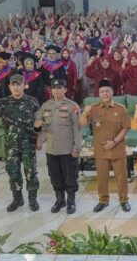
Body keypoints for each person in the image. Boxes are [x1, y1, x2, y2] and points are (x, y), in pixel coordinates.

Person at [0, 74, 41, 212]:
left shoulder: (32, 101)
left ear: (24, 85)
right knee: (13, 172)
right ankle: (18, 199)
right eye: (13, 85)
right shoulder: (2, 102)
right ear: (10, 86)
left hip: (29, 143)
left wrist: (39, 138)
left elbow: (39, 122)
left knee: (31, 172)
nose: (16, 87)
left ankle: (33, 199)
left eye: (19, 84)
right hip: (11, 145)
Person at [80, 79, 131, 213]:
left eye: (107, 91)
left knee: (122, 177)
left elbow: (125, 128)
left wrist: (113, 142)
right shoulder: (94, 108)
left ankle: (124, 200)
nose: (105, 94)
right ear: (99, 93)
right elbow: (82, 124)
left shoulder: (121, 108)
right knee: (102, 177)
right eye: (102, 91)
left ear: (112, 92)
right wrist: (84, 113)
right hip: (101, 150)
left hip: (117, 148)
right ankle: (103, 200)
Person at [35, 79, 82, 214]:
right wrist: (39, 139)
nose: (56, 90)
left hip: (68, 149)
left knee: (70, 176)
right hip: (51, 149)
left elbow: (77, 129)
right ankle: (60, 200)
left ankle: (71, 201)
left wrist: (77, 148)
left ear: (65, 90)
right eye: (54, 88)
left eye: (59, 87)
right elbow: (41, 126)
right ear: (51, 90)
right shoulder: (45, 106)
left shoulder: (72, 106)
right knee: (55, 176)